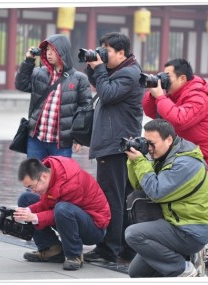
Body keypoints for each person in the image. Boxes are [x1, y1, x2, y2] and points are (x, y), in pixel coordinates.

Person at [142, 58, 208, 270]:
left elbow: (180, 119)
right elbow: (152, 112)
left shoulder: (197, 95)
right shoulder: (174, 94)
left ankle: (189, 256)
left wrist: (161, 97)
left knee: (198, 210)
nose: (164, 79)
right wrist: (153, 91)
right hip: (207, 160)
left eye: (168, 77)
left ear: (183, 78)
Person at [124, 118, 208, 277]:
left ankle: (183, 268)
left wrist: (139, 161)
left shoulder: (185, 163)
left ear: (169, 140)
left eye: (152, 144)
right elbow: (141, 186)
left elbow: (156, 192)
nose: (149, 148)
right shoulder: (166, 155)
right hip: (174, 223)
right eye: (146, 142)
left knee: (133, 234)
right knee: (137, 273)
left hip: (190, 231)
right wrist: (133, 161)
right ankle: (185, 260)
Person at [82, 32, 144, 263]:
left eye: (107, 50)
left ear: (121, 52)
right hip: (117, 144)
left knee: (111, 199)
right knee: (122, 197)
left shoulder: (129, 74)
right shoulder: (122, 70)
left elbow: (106, 94)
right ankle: (125, 248)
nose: (103, 54)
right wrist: (93, 66)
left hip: (114, 145)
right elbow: (101, 84)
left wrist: (98, 68)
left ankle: (109, 250)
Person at [13, 156, 111, 271]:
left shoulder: (72, 183)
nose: (33, 191)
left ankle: (74, 255)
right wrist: (27, 211)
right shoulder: (50, 176)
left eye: (32, 186)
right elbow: (47, 204)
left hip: (94, 228)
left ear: (43, 176)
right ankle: (51, 249)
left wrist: (35, 217)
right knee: (26, 199)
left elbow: (59, 212)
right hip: (69, 216)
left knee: (61, 209)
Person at [15, 33, 93, 161]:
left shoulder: (79, 79)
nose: (49, 53)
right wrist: (29, 61)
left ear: (63, 52)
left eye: (53, 50)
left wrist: (79, 138)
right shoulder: (39, 73)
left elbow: (85, 110)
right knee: (35, 179)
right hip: (36, 139)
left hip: (61, 142)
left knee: (59, 178)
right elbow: (21, 85)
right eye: (47, 50)